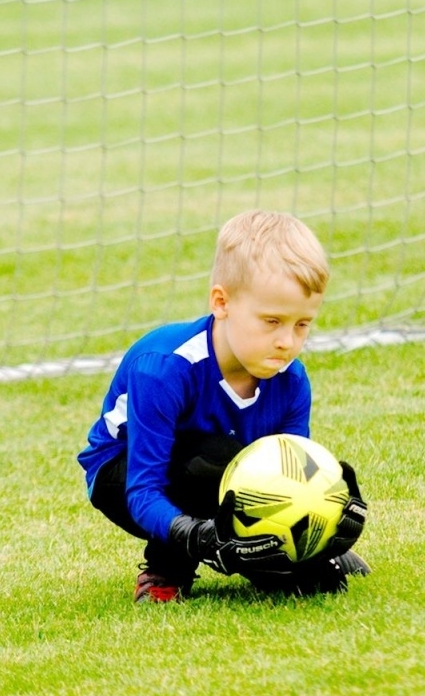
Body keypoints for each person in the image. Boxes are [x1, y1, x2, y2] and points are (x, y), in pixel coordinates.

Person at [78, 210, 369, 603]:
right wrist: (199, 536)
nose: (287, 341)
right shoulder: (165, 369)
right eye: (272, 321)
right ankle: (167, 570)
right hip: (125, 475)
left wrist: (325, 530)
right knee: (210, 460)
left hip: (218, 476)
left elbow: (289, 480)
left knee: (313, 584)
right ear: (222, 302)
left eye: (302, 324)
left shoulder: (292, 380)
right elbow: (143, 490)